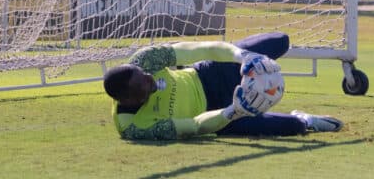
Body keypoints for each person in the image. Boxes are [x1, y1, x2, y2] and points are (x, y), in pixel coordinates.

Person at [103, 32, 343, 141]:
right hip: (215, 115)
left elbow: (205, 49)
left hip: (208, 74)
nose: (150, 78)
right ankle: (305, 120)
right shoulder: (134, 128)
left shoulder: (144, 60)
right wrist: (234, 111)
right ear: (129, 100)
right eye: (144, 84)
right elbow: (196, 127)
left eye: (146, 75)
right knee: (291, 126)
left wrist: (245, 56)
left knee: (280, 40)